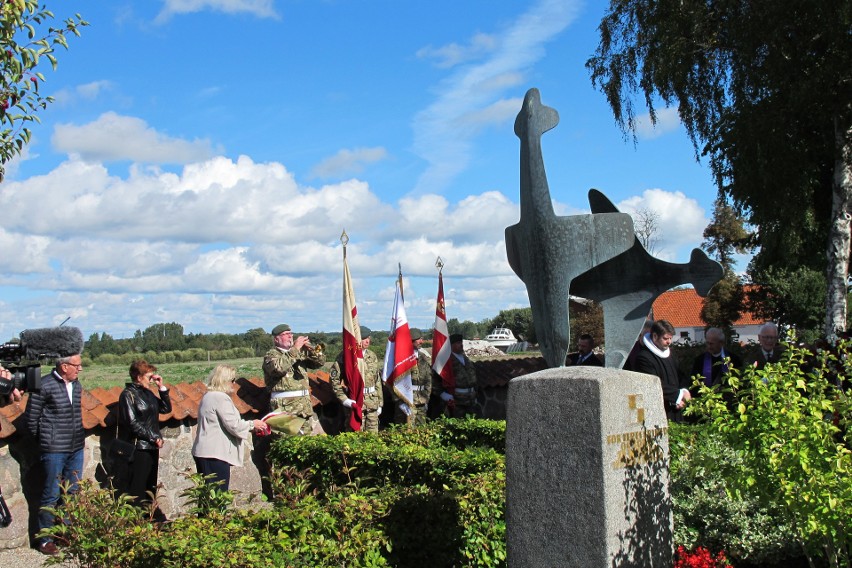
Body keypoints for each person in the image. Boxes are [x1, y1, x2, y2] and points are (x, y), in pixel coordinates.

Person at [26, 353, 85, 555]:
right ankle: (46, 540)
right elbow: (31, 419)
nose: (80, 369)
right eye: (77, 365)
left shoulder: (76, 385)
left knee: (72, 494)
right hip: (53, 450)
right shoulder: (44, 385)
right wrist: (45, 441)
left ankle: (66, 534)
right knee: (50, 494)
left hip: (76, 446)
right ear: (64, 366)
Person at [192, 365, 265, 490]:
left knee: (207, 496)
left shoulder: (208, 396)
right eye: (232, 380)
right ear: (224, 380)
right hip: (215, 454)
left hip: (205, 452)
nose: (234, 383)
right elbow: (234, 425)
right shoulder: (220, 398)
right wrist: (253, 424)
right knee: (217, 495)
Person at [116, 360, 172, 519]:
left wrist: (161, 388)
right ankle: (136, 522)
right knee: (138, 488)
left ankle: (150, 519)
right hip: (138, 448)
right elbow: (132, 423)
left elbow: (166, 408)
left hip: (151, 447)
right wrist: (153, 437)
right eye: (149, 376)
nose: (152, 379)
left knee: (150, 486)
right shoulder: (127, 395)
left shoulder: (148, 393)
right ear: (139, 377)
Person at [262, 323, 326, 435]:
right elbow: (278, 368)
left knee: (305, 443)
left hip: (303, 407)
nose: (290, 336)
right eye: (285, 334)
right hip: (285, 408)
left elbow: (320, 363)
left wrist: (311, 350)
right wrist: (295, 348)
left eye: (291, 334)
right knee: (286, 442)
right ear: (276, 339)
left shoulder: (297, 354)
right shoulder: (271, 355)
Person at [632, 320, 691, 422]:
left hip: (677, 408)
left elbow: (680, 375)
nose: (669, 342)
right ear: (655, 336)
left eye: (670, 338)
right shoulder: (643, 357)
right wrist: (678, 395)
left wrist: (684, 390)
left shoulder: (670, 354)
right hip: (659, 410)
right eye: (665, 338)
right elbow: (652, 383)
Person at [331, 326, 384, 433]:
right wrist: (344, 400)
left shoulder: (372, 356)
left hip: (372, 402)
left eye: (368, 338)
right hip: (355, 402)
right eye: (364, 338)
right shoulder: (346, 357)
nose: (367, 341)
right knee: (355, 437)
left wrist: (380, 403)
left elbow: (377, 380)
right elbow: (334, 380)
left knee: (373, 438)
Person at [393, 328, 432, 426]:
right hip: (407, 401)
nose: (421, 341)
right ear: (411, 340)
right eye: (418, 339)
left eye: (422, 339)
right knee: (406, 433)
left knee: (422, 432)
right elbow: (393, 382)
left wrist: (426, 398)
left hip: (421, 401)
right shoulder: (401, 359)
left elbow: (428, 379)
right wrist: (399, 401)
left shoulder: (423, 357)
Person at [690, 327, 743, 393]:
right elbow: (693, 383)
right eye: (707, 343)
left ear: (721, 343)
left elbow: (739, 382)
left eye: (711, 344)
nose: (709, 346)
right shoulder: (700, 360)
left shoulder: (734, 359)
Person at [439, 334, 479, 418]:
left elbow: (472, 376)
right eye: (458, 343)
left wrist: (475, 393)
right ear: (452, 345)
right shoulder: (447, 360)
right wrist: (443, 394)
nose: (461, 345)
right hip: (457, 400)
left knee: (472, 423)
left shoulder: (465, 358)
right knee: (458, 424)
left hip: (470, 399)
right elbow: (437, 378)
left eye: (461, 342)